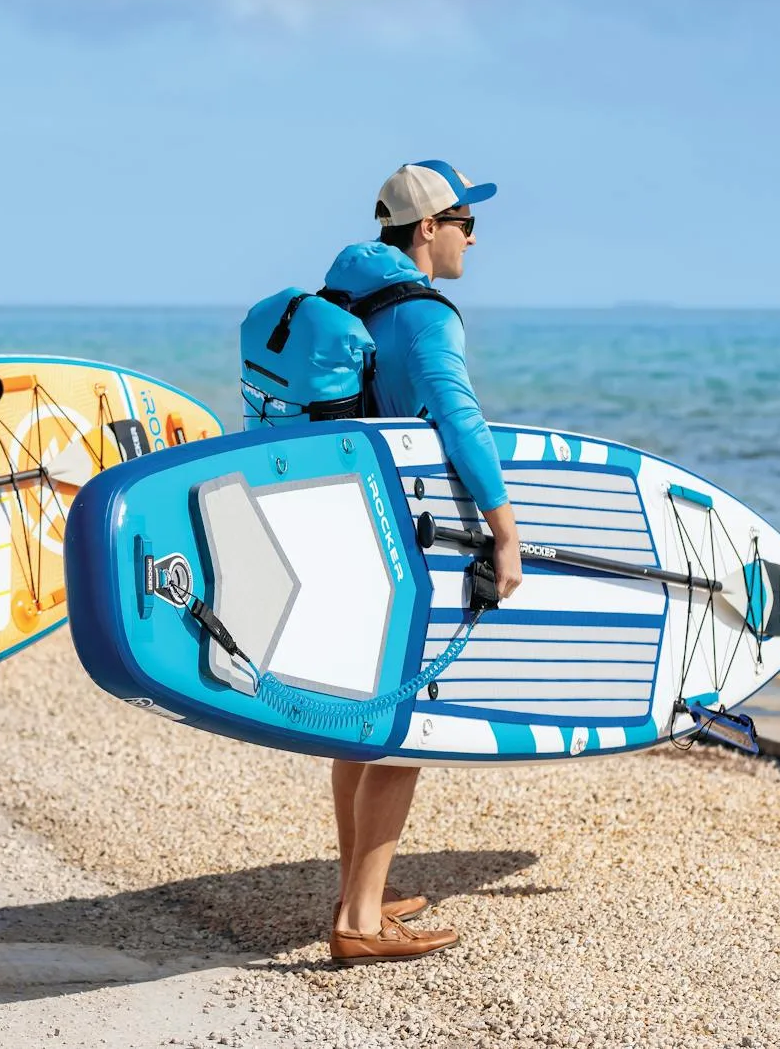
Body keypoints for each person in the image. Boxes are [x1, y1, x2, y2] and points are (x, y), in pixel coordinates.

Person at [319, 159, 524, 963]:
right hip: (403, 535)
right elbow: (458, 417)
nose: (474, 238)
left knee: (360, 722)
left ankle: (359, 893)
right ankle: (360, 924)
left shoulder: (345, 298)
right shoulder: (425, 314)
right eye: (465, 223)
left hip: (343, 523)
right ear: (428, 228)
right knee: (404, 728)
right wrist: (504, 529)